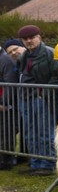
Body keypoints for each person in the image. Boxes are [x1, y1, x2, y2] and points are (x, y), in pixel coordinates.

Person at [15, 25, 58, 175]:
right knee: (30, 132)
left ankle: (48, 163)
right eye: (25, 39)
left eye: (32, 37)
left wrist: (43, 90)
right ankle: (35, 162)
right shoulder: (24, 56)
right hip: (25, 98)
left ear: (39, 37)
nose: (29, 41)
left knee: (44, 132)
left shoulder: (50, 53)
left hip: (42, 98)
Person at [0, 39, 23, 169]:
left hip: (6, 105)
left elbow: (9, 82)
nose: (13, 53)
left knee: (6, 132)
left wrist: (5, 102)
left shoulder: (5, 60)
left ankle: (5, 161)